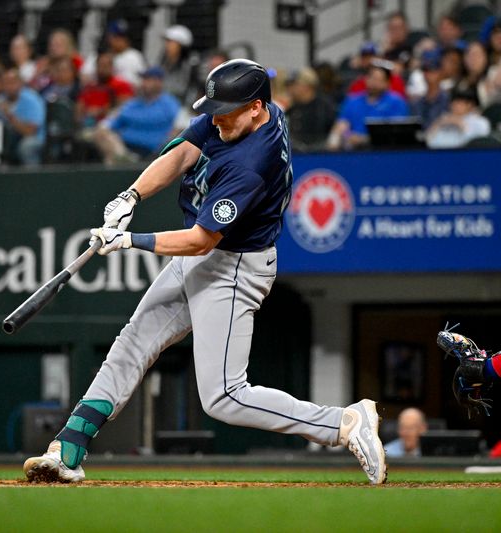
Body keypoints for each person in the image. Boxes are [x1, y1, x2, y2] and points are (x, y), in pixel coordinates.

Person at [22, 59, 386, 485]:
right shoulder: (248, 114)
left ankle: (342, 423)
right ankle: (68, 447)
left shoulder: (252, 163)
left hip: (233, 267)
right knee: (133, 342)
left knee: (225, 397)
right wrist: (131, 195)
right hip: (204, 257)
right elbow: (182, 153)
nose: (217, 119)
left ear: (254, 108)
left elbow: (201, 240)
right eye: (214, 109)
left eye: (227, 111)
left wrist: (129, 241)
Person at [92, 66, 179, 165]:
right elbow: (113, 122)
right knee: (101, 133)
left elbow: (157, 120)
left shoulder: (168, 103)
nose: (143, 83)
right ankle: (124, 158)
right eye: (143, 79)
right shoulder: (134, 103)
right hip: (124, 146)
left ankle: (124, 160)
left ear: (158, 82)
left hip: (151, 152)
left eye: (148, 79)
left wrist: (129, 117)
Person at [328, 60, 409, 150]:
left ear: (387, 83)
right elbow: (342, 125)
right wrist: (347, 135)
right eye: (371, 78)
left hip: (384, 150)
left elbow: (396, 132)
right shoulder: (352, 100)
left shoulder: (396, 102)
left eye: (379, 80)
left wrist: (363, 139)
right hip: (354, 150)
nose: (374, 83)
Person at [0, 67, 45, 165]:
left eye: (13, 82)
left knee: (26, 146)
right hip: (9, 139)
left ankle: (32, 178)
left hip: (35, 138)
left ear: (21, 83)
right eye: (6, 83)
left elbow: (30, 132)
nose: (9, 86)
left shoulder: (32, 100)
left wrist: (10, 116)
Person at [75, 52, 134, 128]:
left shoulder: (122, 85)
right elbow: (79, 107)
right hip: (87, 124)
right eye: (100, 65)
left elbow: (125, 109)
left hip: (112, 126)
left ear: (112, 67)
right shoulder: (89, 87)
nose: (103, 69)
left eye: (106, 66)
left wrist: (101, 111)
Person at [285, 67, 337, 152]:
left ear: (306, 86)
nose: (290, 89)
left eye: (294, 85)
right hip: (296, 154)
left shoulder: (324, 106)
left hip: (321, 154)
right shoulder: (292, 108)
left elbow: (334, 131)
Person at [425, 87, 490, 149]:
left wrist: (461, 124)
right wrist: (438, 124)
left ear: (470, 104)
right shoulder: (444, 120)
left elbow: (479, 144)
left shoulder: (481, 122)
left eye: (459, 102)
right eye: (453, 102)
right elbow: (429, 142)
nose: (454, 105)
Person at [409, 51, 450, 129]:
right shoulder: (417, 103)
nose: (428, 74)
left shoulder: (449, 100)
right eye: (426, 70)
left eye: (433, 70)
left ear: (440, 72)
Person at [159, 25, 198, 104]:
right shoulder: (163, 62)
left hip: (183, 108)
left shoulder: (191, 64)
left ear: (181, 45)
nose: (167, 45)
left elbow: (194, 90)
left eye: (170, 42)